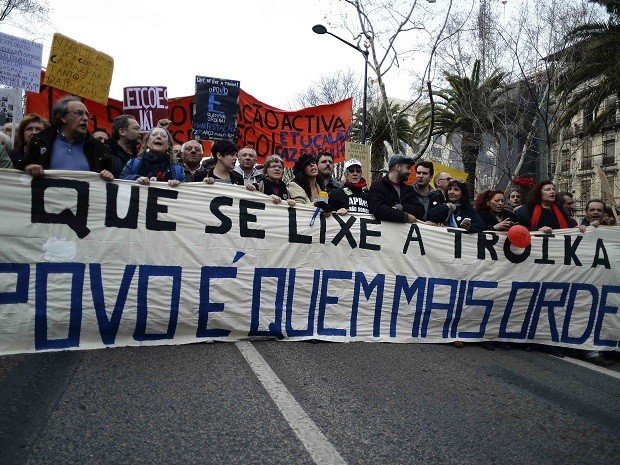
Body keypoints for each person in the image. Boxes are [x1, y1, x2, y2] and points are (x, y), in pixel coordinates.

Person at [21, 95, 113, 181]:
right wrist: (28, 167)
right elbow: (21, 170)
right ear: (63, 117)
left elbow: (110, 175)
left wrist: (108, 174)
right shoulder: (39, 142)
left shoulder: (98, 147)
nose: (85, 118)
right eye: (79, 113)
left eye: (87, 115)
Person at [119, 127, 184, 187]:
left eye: (163, 136)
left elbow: (185, 189)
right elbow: (120, 182)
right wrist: (135, 178)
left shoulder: (178, 169)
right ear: (148, 143)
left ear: (168, 145)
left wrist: (178, 185)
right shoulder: (133, 163)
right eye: (154, 135)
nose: (158, 137)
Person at [368, 153, 423, 223]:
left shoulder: (409, 190)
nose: (410, 172)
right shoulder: (378, 186)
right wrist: (404, 216)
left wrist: (401, 207)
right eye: (408, 168)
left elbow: (420, 210)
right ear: (397, 167)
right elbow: (378, 210)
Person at [514, 181, 579, 233]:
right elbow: (518, 228)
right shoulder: (528, 209)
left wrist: (576, 229)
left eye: (553, 189)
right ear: (539, 193)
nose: (552, 191)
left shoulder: (560, 209)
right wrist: (538, 230)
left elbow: (569, 226)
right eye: (548, 190)